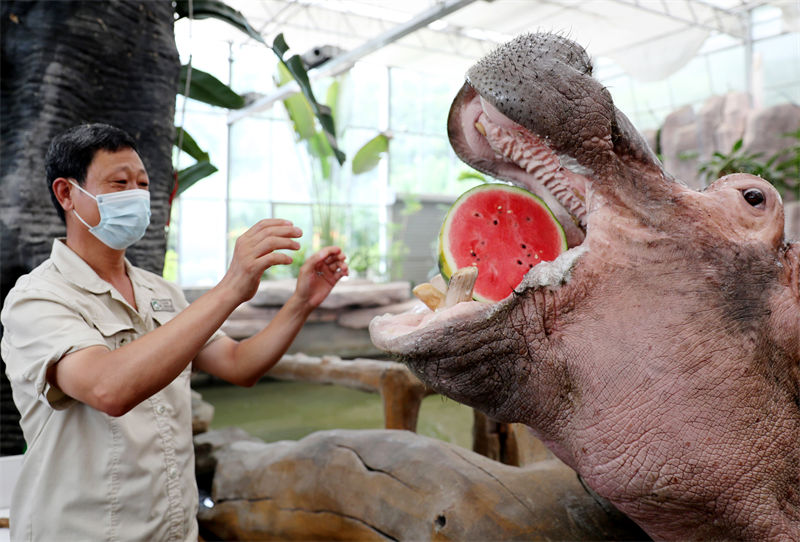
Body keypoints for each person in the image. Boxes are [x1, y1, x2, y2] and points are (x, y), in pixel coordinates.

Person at [0, 123, 348, 541]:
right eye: (119, 182)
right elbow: (109, 389)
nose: (137, 194)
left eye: (143, 184)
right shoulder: (37, 299)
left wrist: (302, 302)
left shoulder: (160, 292)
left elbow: (240, 365)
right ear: (66, 193)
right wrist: (230, 288)